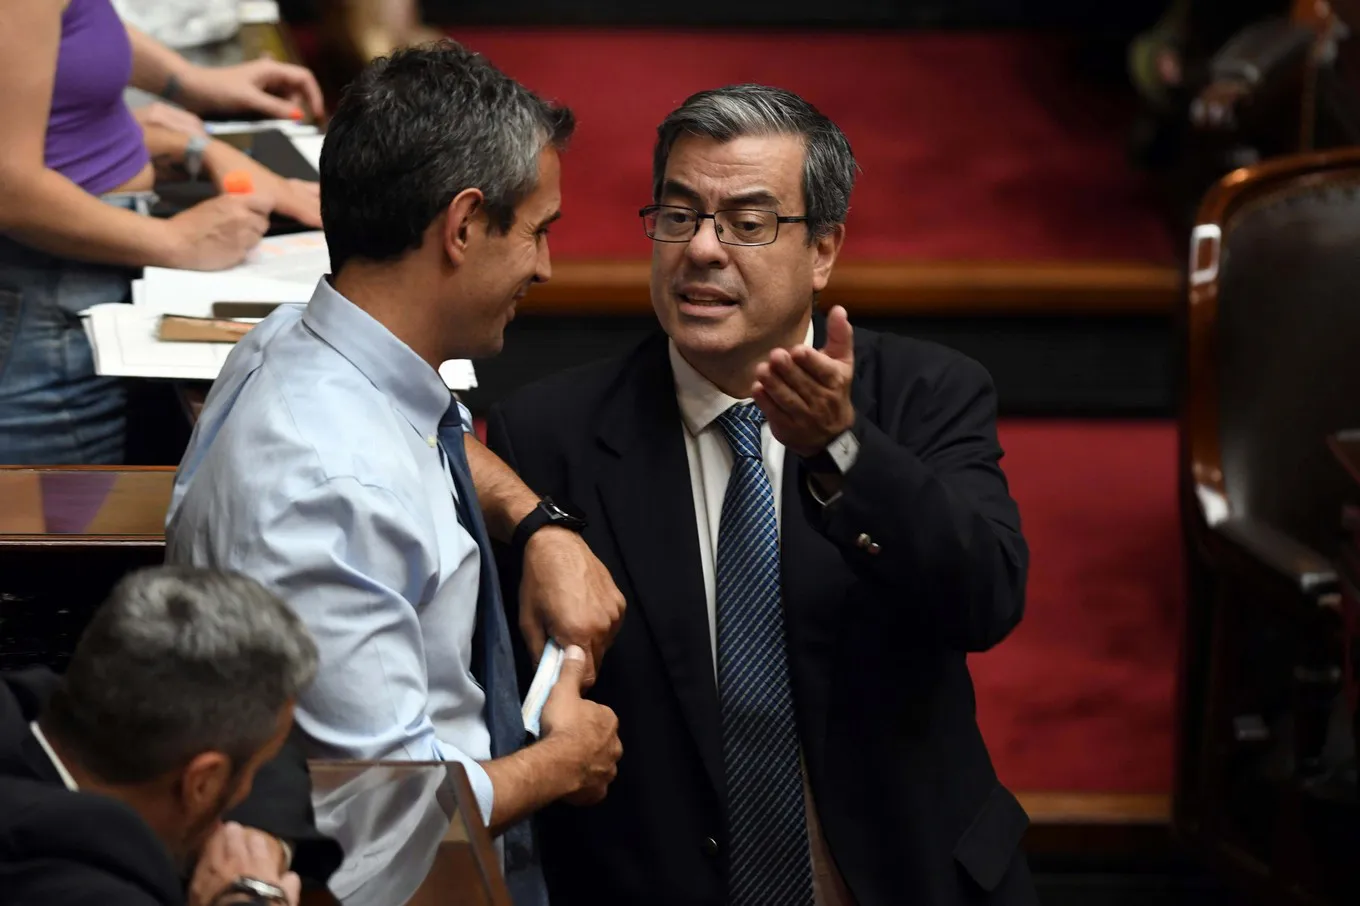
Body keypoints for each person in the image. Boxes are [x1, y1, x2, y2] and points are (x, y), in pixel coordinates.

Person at [486, 84, 1038, 905]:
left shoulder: (926, 392)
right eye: (678, 216)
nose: (703, 250)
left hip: (906, 876)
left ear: (822, 250)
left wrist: (842, 448)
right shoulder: (554, 432)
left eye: (748, 224)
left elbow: (986, 597)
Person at [164, 42, 625, 906]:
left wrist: (536, 520)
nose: (547, 267)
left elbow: (425, 439)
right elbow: (383, 815)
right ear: (461, 226)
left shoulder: (293, 341)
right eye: (538, 231)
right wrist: (563, 762)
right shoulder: (329, 488)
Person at [0, 0, 325, 466]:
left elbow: (72, 20)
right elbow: (9, 188)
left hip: (70, 285)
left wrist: (190, 85)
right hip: (47, 298)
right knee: (63, 527)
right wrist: (176, 241)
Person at [0, 566, 342, 906]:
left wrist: (255, 842)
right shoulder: (80, 888)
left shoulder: (31, 705)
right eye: (252, 769)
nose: (251, 785)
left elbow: (274, 757)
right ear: (202, 783)